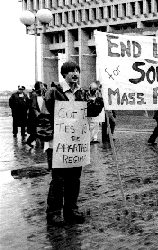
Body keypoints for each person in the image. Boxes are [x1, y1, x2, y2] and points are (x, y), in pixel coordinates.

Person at [44, 61, 104, 225]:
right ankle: (53, 213)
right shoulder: (53, 92)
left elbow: (90, 112)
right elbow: (44, 116)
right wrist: (49, 138)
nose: (75, 74)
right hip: (57, 144)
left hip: (76, 145)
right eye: (71, 71)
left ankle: (71, 210)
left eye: (77, 70)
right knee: (58, 180)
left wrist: (99, 102)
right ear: (64, 74)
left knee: (74, 179)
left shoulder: (82, 93)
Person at [25, 81, 46, 148]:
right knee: (35, 132)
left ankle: (43, 144)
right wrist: (38, 114)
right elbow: (33, 106)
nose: (43, 87)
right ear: (38, 87)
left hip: (41, 115)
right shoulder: (34, 95)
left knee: (42, 131)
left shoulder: (43, 95)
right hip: (35, 117)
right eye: (41, 85)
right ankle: (29, 142)